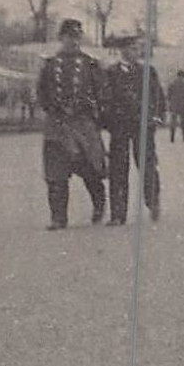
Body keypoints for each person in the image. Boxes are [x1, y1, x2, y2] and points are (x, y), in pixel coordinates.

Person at [35, 18, 109, 229]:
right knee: (55, 173)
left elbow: (101, 92)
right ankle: (58, 217)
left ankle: (99, 204)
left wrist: (92, 113)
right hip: (56, 125)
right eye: (68, 37)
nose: (73, 41)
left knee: (90, 170)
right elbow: (41, 92)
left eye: (76, 37)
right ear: (61, 38)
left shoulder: (90, 64)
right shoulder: (50, 65)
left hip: (83, 125)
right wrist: (53, 108)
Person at [102, 34, 166, 225]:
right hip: (120, 126)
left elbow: (158, 97)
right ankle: (118, 214)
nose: (136, 52)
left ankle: (153, 201)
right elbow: (105, 98)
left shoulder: (148, 71)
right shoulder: (111, 73)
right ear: (123, 50)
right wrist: (109, 121)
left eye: (138, 48)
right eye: (132, 48)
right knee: (118, 169)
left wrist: (157, 118)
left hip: (143, 125)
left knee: (147, 165)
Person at [166, 70, 184, 143]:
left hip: (174, 105)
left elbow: (168, 96)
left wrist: (170, 103)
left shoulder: (172, 84)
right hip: (182, 105)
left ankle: (172, 137)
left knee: (173, 122)